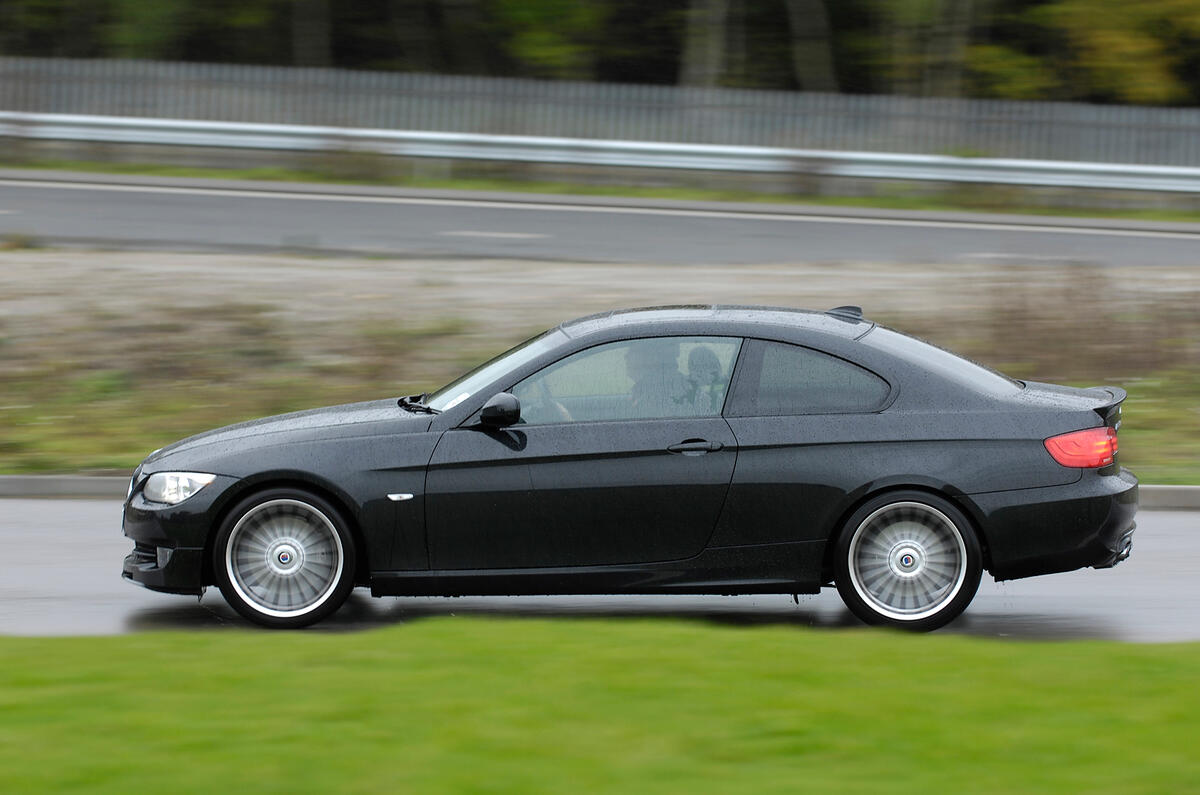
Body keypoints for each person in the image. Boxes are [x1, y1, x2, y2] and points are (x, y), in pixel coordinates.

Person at [625, 339, 688, 418]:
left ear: (649, 358)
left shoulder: (656, 393)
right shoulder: (645, 389)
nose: (626, 357)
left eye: (632, 352)